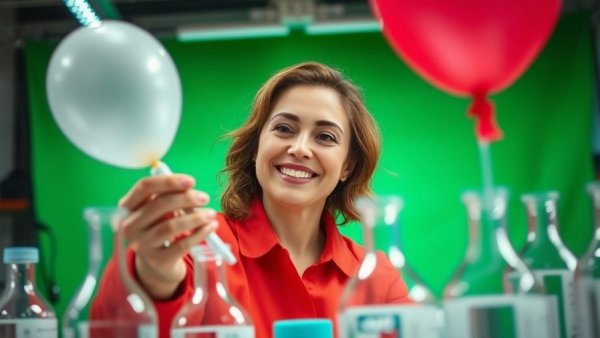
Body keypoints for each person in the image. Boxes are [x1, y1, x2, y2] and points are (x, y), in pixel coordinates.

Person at [91, 62, 411, 338]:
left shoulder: (379, 280)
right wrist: (153, 275)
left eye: (325, 137)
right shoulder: (191, 243)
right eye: (284, 128)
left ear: (347, 166)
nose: (300, 148)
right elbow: (114, 327)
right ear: (257, 147)